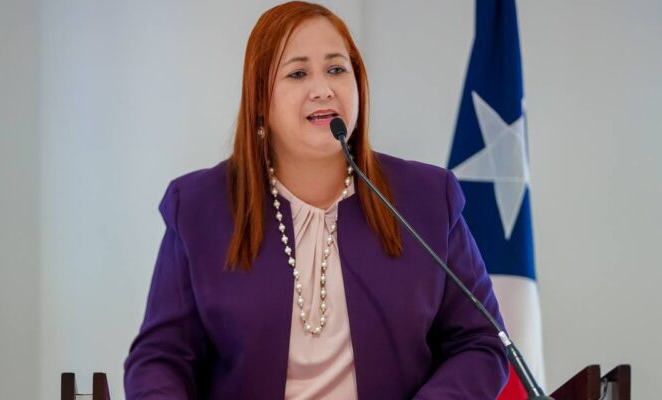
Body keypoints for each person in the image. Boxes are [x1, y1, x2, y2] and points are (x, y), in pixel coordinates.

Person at [124, 2, 508, 399]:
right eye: (298, 73)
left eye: (336, 69)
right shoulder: (198, 208)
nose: (323, 89)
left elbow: (481, 342)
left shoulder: (427, 198)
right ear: (260, 99)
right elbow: (160, 359)